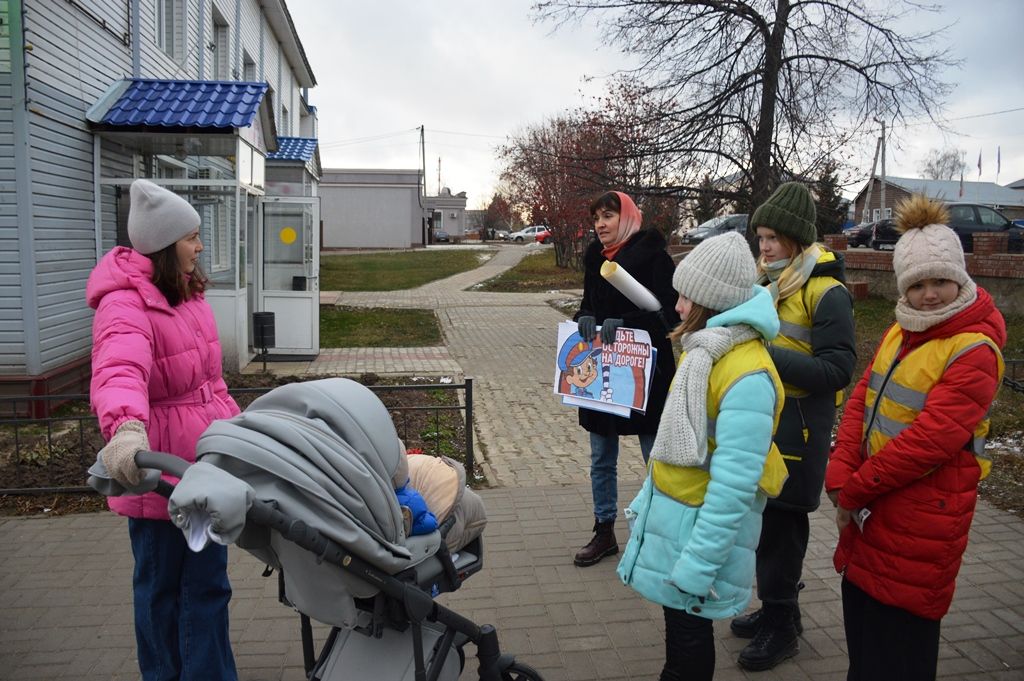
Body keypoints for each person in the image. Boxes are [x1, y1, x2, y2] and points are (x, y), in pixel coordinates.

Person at [826, 196, 1005, 681]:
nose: (929, 295)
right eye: (918, 284)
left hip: (922, 516)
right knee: (864, 642)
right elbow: (862, 398)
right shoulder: (903, 330)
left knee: (899, 649)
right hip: (873, 509)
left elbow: (932, 441)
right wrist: (841, 467)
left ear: (962, 278)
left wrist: (855, 488)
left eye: (940, 282)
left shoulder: (973, 349)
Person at [617, 231, 789, 681]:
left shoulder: (745, 374)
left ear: (711, 302)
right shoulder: (709, 352)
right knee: (682, 630)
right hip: (682, 522)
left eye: (686, 297)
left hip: (700, 537)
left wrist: (697, 566)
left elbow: (734, 487)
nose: (676, 306)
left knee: (690, 637)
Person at [87, 179, 241, 681]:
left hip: (204, 470)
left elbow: (210, 384)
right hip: (159, 478)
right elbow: (118, 370)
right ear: (164, 245)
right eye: (192, 237)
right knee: (162, 594)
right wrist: (126, 430)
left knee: (209, 588)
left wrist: (241, 434)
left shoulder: (187, 295)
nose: (200, 246)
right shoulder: (126, 304)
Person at [730, 182, 856, 671]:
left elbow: (836, 371)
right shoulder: (768, 283)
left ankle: (783, 627)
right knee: (765, 524)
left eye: (774, 239)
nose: (763, 247)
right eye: (760, 237)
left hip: (800, 428)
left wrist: (764, 355)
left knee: (784, 529)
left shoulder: (827, 293)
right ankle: (774, 609)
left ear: (799, 241)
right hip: (767, 423)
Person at [572, 190, 680, 567]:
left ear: (627, 218)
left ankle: (658, 532)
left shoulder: (653, 256)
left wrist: (631, 325)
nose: (600, 224)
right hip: (604, 368)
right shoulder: (594, 258)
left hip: (646, 371)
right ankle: (604, 531)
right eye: (597, 218)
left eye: (608, 216)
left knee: (655, 456)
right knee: (601, 456)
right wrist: (584, 317)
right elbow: (590, 303)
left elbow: (672, 315)